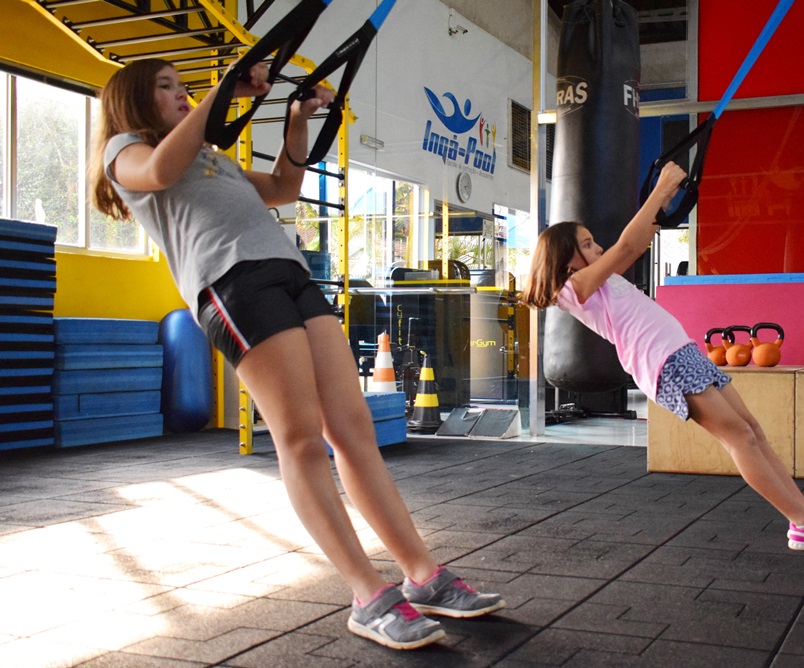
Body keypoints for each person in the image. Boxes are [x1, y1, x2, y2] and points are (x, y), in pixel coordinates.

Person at [89, 58, 504, 650]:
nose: (182, 95)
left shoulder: (209, 157)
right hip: (232, 285)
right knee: (302, 439)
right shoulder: (126, 150)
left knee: (353, 428)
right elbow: (157, 169)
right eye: (167, 87)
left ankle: (423, 576)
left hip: (289, 274)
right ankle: (368, 594)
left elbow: (284, 188)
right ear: (132, 99)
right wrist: (224, 90)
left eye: (184, 87)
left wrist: (296, 119)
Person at [519, 161, 804, 551]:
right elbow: (627, 246)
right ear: (563, 257)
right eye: (586, 244)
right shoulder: (571, 290)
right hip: (664, 364)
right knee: (740, 438)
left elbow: (637, 240)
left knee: (752, 430)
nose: (596, 247)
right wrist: (661, 188)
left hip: (684, 353)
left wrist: (665, 198)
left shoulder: (601, 278)